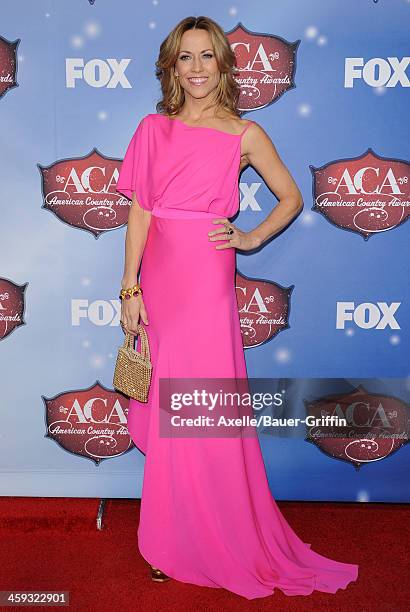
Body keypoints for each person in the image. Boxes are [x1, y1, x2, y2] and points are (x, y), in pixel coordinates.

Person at [115, 15, 358, 601]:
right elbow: (141, 212)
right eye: (185, 58)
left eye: (207, 57)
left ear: (223, 64)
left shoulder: (244, 133)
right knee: (169, 395)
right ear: (171, 66)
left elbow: (292, 197)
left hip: (206, 280)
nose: (197, 68)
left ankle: (207, 535)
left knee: (196, 401)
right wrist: (129, 287)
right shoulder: (154, 127)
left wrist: (248, 238)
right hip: (161, 279)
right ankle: (170, 539)